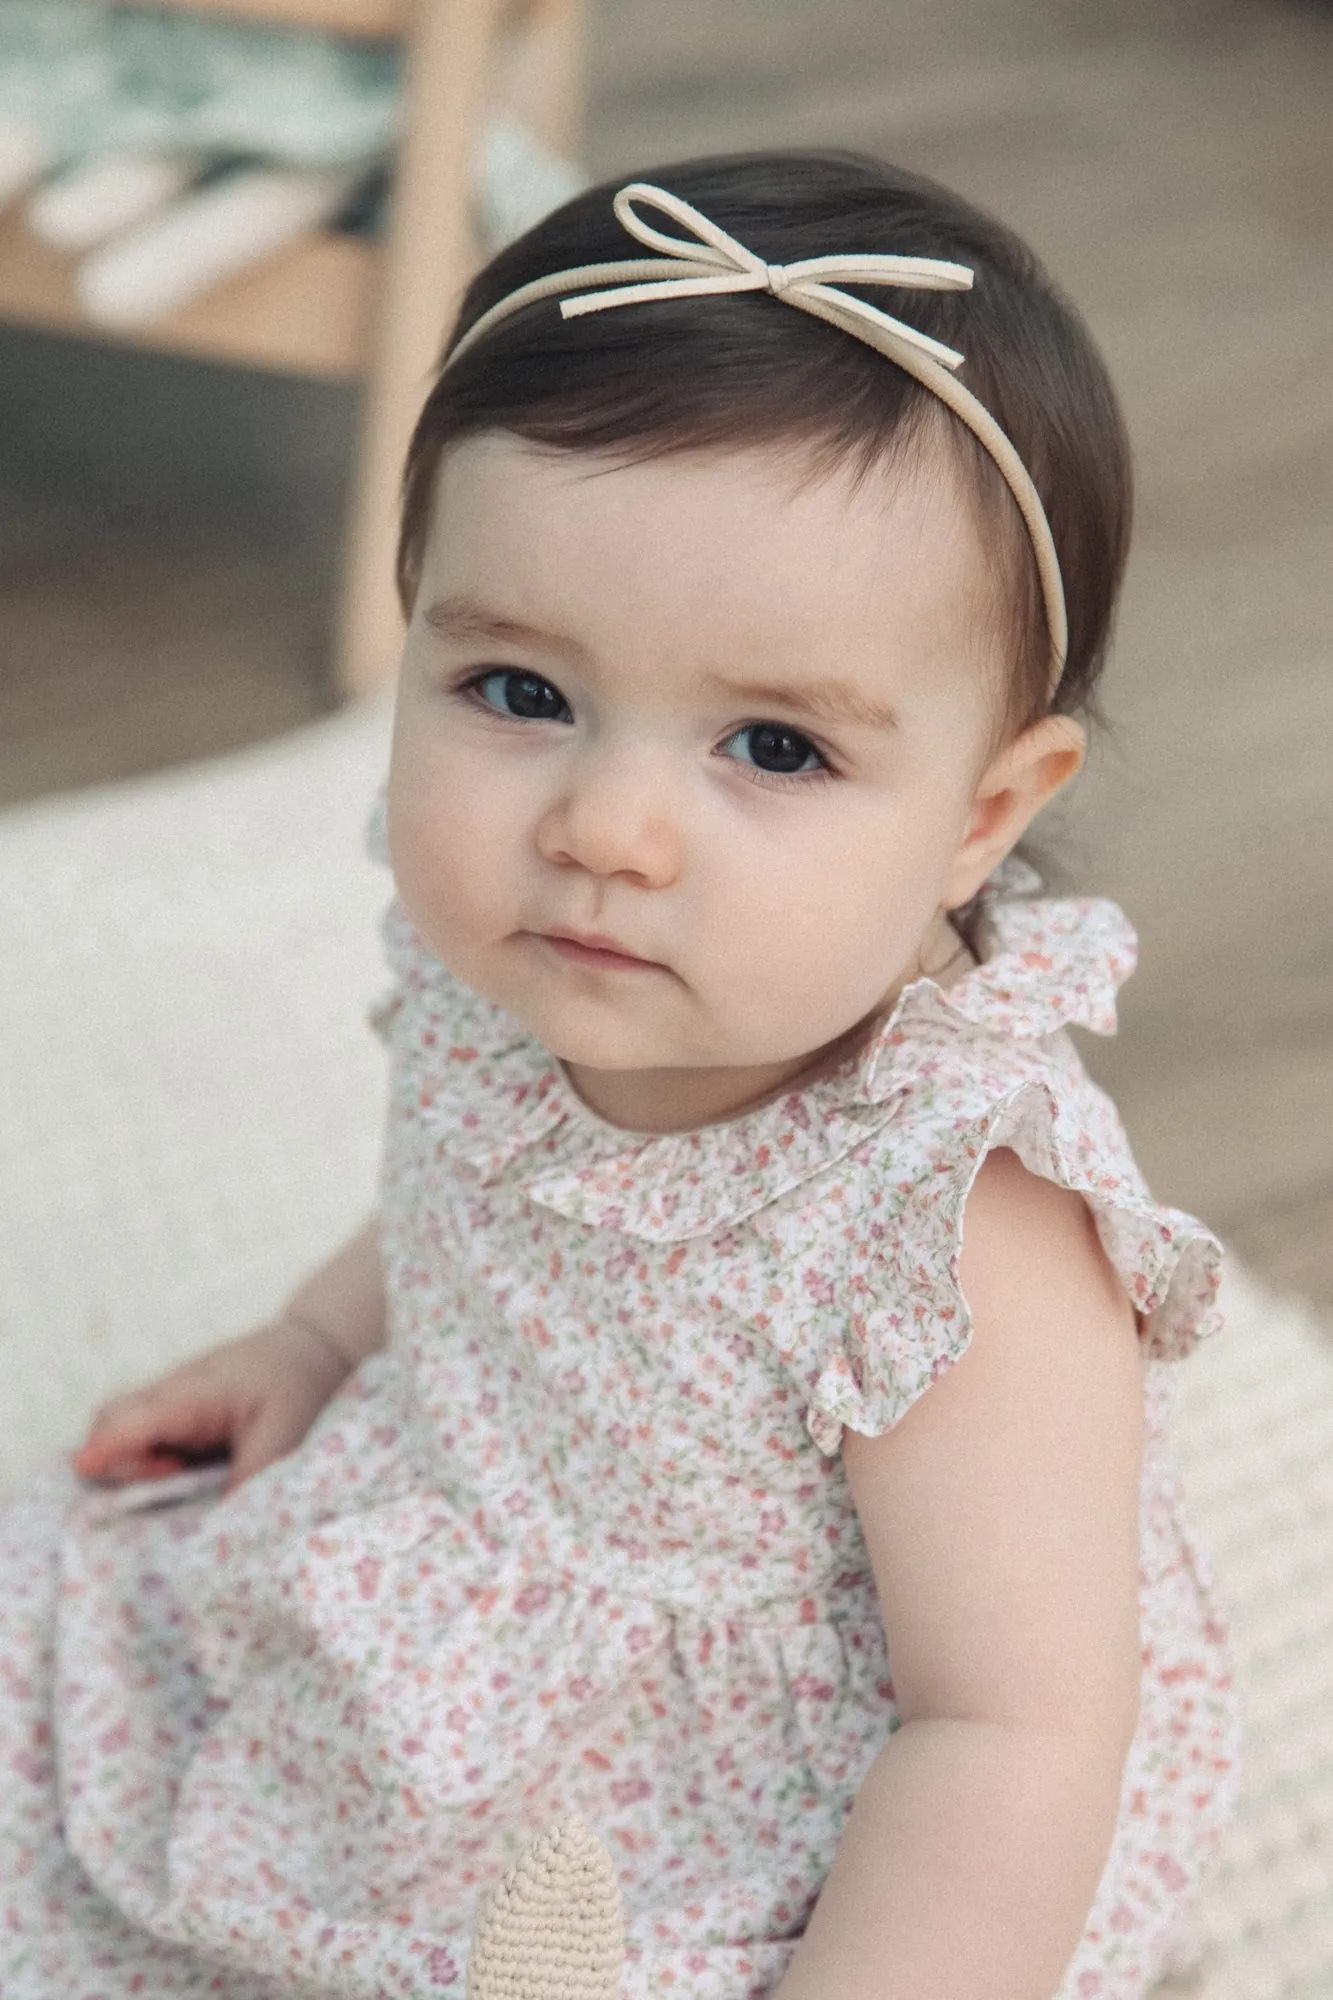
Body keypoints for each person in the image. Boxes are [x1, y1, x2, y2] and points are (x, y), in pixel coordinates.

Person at [0, 150, 1238, 2000]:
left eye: (774, 746)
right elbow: (471, 1186)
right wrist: (317, 1348)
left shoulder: (956, 1225)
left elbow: (1010, 1733)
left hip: (778, 1806)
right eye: (519, 693)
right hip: (458, 1584)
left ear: (983, 816)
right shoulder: (538, 966)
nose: (607, 829)